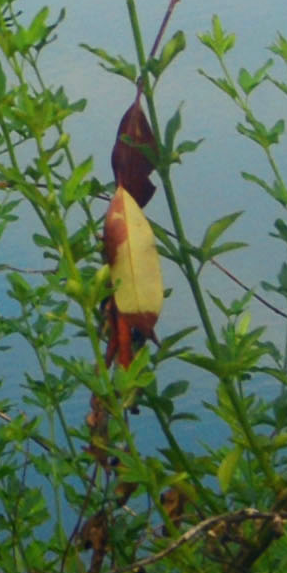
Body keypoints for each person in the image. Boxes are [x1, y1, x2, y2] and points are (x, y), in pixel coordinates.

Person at [99, 99, 165, 371]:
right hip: (128, 288)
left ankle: (124, 380)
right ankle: (124, 379)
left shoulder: (124, 206)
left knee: (124, 331)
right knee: (121, 328)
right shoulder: (125, 207)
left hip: (130, 292)